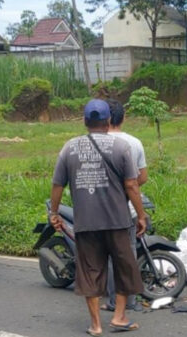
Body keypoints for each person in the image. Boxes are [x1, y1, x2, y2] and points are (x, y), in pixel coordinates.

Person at [49, 99, 147, 336]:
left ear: (85, 121)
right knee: (124, 268)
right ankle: (119, 316)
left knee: (90, 272)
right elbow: (132, 185)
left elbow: (57, 185)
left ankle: (96, 325)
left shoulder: (69, 148)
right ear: (109, 121)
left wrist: (54, 212)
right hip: (118, 222)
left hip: (86, 223)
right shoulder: (121, 147)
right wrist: (141, 215)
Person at [99, 99, 148, 313]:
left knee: (108, 257)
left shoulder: (95, 141)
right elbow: (141, 178)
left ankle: (112, 301)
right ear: (123, 118)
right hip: (126, 210)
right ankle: (130, 301)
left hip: (100, 209)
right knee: (127, 254)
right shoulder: (134, 143)